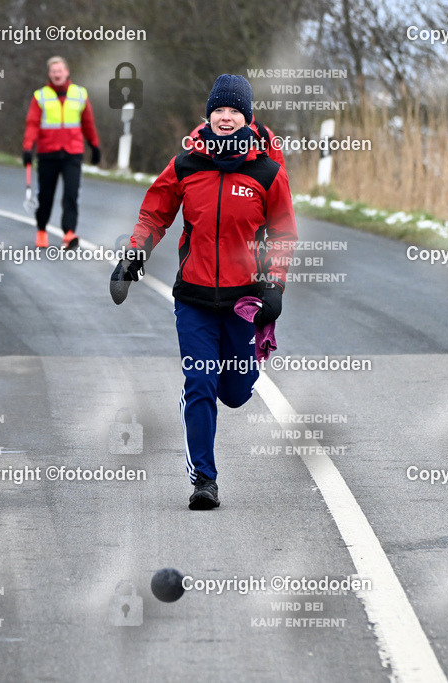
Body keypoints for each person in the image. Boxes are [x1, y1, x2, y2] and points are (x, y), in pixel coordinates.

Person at [111, 74, 297, 510]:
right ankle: (204, 479)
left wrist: (275, 284)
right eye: (219, 110)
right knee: (199, 381)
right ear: (208, 116)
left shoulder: (266, 172)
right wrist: (133, 257)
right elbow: (153, 214)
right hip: (193, 298)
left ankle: (236, 380)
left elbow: (284, 232)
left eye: (234, 110)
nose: (226, 117)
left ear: (247, 117)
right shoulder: (186, 165)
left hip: (242, 302)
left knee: (233, 392)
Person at [22, 56, 101, 249]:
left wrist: (94, 145)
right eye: (53, 71)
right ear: (50, 74)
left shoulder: (80, 94)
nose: (57, 74)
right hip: (48, 153)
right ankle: (41, 230)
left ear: (67, 72)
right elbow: (32, 124)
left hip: (72, 153)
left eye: (60, 70)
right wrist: (27, 147)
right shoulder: (40, 95)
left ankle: (69, 233)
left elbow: (88, 123)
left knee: (71, 194)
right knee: (45, 196)